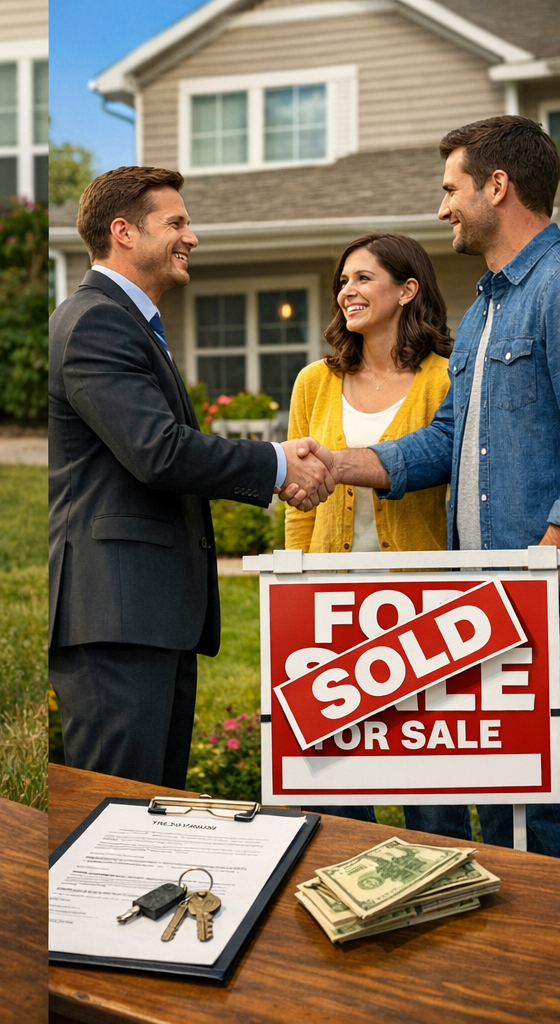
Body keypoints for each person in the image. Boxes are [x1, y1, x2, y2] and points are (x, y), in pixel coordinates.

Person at [295, 116, 560, 856]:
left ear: (497, 187)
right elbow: (446, 441)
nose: (443, 207)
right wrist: (336, 462)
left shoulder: (557, 287)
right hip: (484, 597)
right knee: (502, 788)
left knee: (547, 800)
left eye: (452, 188)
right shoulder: (483, 313)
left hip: (542, 588)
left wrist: (552, 548)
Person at [48, 165, 335, 788]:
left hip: (147, 613)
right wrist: (279, 463)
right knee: (113, 814)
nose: (192, 237)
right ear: (124, 232)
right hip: (114, 614)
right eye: (176, 222)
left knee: (154, 803)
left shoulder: (126, 319)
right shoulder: (96, 320)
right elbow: (158, 451)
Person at [286, 232, 453, 828]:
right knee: (331, 778)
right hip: (329, 604)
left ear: (408, 290)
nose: (346, 291)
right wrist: (294, 579)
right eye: (342, 281)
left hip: (423, 603)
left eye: (362, 278)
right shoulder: (315, 381)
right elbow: (300, 501)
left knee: (430, 776)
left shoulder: (445, 379)